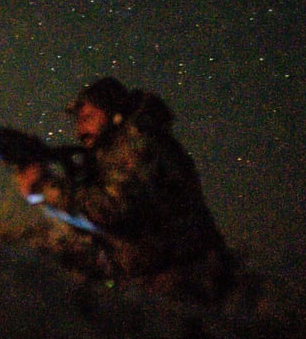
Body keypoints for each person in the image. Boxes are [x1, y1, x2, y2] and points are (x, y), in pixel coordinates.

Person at [16, 76, 232, 303]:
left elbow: (110, 209)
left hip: (184, 279)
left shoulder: (138, 142)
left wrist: (46, 187)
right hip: (159, 272)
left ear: (114, 114)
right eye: (78, 120)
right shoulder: (113, 150)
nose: (81, 129)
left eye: (89, 118)